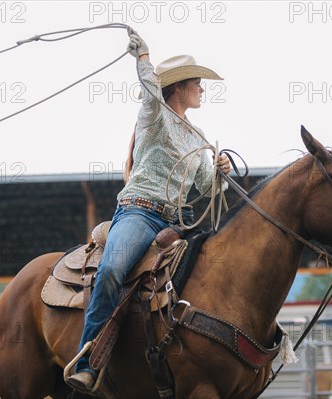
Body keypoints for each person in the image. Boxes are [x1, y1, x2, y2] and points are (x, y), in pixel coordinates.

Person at [66, 32, 230, 393]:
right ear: (179, 88)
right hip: (139, 213)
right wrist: (144, 58)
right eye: (197, 83)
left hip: (175, 222)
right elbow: (150, 89)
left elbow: (206, 187)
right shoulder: (155, 115)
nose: (202, 89)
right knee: (111, 269)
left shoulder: (197, 134)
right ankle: (87, 360)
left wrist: (220, 173)